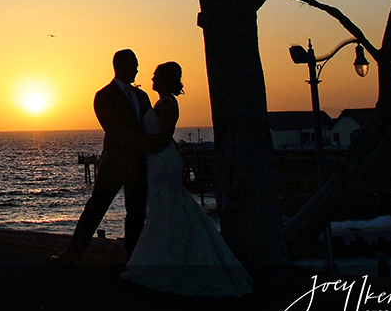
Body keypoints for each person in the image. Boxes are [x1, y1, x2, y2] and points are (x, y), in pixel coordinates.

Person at [120, 62, 252, 296]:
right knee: (164, 210)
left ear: (164, 79)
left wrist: (134, 139)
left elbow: (163, 138)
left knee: (164, 210)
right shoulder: (161, 103)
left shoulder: (167, 105)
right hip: (158, 161)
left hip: (163, 162)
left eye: (156, 75)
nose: (152, 78)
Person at [53, 49, 151, 263]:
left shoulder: (141, 96)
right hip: (115, 162)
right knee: (96, 207)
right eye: (133, 64)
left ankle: (133, 257)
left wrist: (137, 140)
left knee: (136, 213)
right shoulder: (104, 95)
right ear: (120, 66)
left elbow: (146, 127)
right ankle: (73, 252)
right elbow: (114, 129)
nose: (137, 68)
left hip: (137, 163)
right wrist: (134, 138)